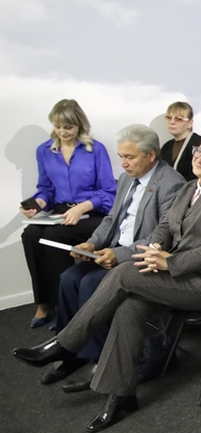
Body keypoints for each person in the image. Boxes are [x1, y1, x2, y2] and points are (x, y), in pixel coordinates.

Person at [13, 135, 201, 432]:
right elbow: (164, 227)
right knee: (130, 306)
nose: (199, 159)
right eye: (199, 152)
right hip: (182, 277)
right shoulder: (191, 187)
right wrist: (153, 247)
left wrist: (170, 262)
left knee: (125, 273)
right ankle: (121, 394)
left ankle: (64, 345)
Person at [44, 125, 184, 388]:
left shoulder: (172, 184)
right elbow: (111, 219)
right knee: (68, 279)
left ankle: (101, 360)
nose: (123, 163)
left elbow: (161, 237)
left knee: (88, 284)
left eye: (129, 157)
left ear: (151, 156)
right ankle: (72, 352)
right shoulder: (127, 178)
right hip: (114, 248)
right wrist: (92, 242)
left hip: (140, 257)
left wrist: (118, 254)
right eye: (121, 156)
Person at [20, 99, 117, 329]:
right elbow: (46, 189)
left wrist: (82, 207)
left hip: (92, 211)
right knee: (30, 235)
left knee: (53, 236)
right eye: (58, 126)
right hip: (61, 210)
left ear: (80, 126)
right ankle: (44, 303)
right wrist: (38, 204)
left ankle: (66, 309)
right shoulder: (44, 150)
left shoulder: (96, 149)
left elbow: (109, 192)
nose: (62, 132)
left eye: (68, 127)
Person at [159, 101, 201, 181]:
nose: (172, 122)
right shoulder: (166, 146)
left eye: (178, 119)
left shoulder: (200, 143)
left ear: (190, 123)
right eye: (169, 118)